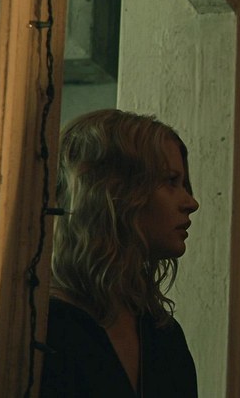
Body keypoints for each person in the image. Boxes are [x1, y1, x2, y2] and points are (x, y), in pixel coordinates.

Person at [40, 109, 200, 397]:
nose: (191, 202)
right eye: (171, 181)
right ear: (116, 193)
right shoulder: (45, 327)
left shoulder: (163, 336)